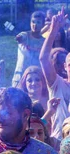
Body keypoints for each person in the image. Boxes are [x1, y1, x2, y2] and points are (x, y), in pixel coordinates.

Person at [40, 9, 70, 139]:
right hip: (58, 142)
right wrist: (53, 30)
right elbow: (43, 58)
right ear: (65, 67)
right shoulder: (57, 84)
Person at [13, 11, 46, 87]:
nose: (35, 25)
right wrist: (19, 38)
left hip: (35, 80)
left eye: (38, 22)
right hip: (20, 77)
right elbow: (20, 37)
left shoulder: (44, 41)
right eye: (33, 22)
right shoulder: (25, 35)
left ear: (43, 24)